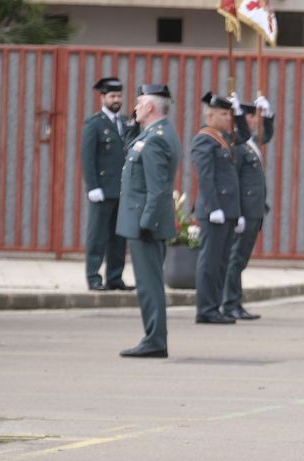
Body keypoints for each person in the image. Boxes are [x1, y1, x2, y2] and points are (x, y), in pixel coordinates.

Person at [116, 85, 181, 359]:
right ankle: (153, 337)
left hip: (145, 223)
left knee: (149, 284)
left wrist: (145, 223)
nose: (135, 106)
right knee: (148, 283)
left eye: (139, 102)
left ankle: (154, 340)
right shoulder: (155, 133)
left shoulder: (156, 139)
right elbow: (130, 149)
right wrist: (133, 124)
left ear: (150, 107)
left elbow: (157, 189)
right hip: (144, 219)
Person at [190, 92, 242, 326]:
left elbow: (246, 136)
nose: (227, 118)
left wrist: (235, 211)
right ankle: (206, 308)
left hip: (228, 209)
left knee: (221, 262)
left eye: (229, 114)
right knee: (209, 262)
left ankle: (216, 305)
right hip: (215, 210)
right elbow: (206, 176)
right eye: (223, 114)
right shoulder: (204, 139)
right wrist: (213, 208)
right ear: (210, 115)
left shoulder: (224, 138)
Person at [222, 94, 274, 321]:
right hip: (245, 209)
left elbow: (267, 135)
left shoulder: (251, 141)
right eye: (252, 116)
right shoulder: (239, 143)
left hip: (255, 209)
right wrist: (239, 212)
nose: (255, 120)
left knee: (240, 259)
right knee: (235, 259)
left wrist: (269, 116)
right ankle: (230, 303)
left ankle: (235, 301)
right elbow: (234, 179)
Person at [80, 77, 134, 291]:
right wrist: (92, 186)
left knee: (119, 237)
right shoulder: (94, 124)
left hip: (121, 190)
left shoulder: (125, 122)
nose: (116, 100)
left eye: (119, 96)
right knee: (97, 236)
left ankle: (114, 277)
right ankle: (93, 277)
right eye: (112, 96)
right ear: (102, 97)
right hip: (102, 190)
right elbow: (87, 158)